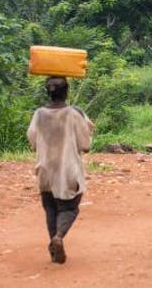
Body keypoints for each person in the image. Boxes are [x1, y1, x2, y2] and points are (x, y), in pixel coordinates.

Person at [27, 77, 93, 264]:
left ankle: (54, 250)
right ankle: (59, 236)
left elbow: (32, 140)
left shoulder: (39, 114)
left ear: (48, 92)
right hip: (68, 170)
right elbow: (85, 144)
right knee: (69, 208)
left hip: (45, 169)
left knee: (50, 208)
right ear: (66, 92)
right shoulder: (73, 114)